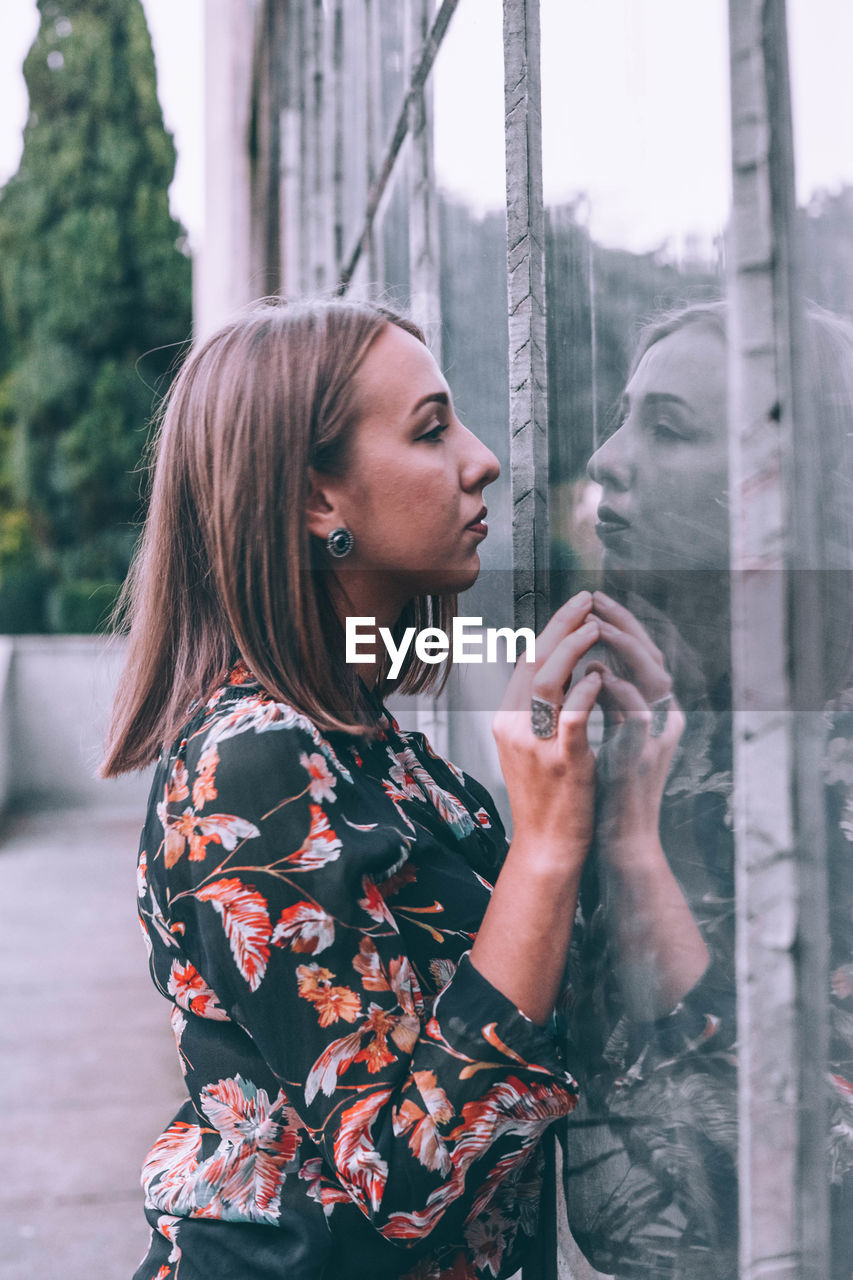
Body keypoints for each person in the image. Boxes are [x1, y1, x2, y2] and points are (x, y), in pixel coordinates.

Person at [101, 297, 699, 1280]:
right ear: (316, 500)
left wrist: (625, 825)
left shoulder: (381, 753)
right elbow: (407, 1184)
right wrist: (546, 845)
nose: (483, 459)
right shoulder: (251, 769)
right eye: (430, 429)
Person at [558, 300, 853, 1279]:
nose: (606, 455)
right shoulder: (671, 718)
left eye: (668, 427)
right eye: (623, 413)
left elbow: (827, 1142)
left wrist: (635, 859)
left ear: (786, 487)